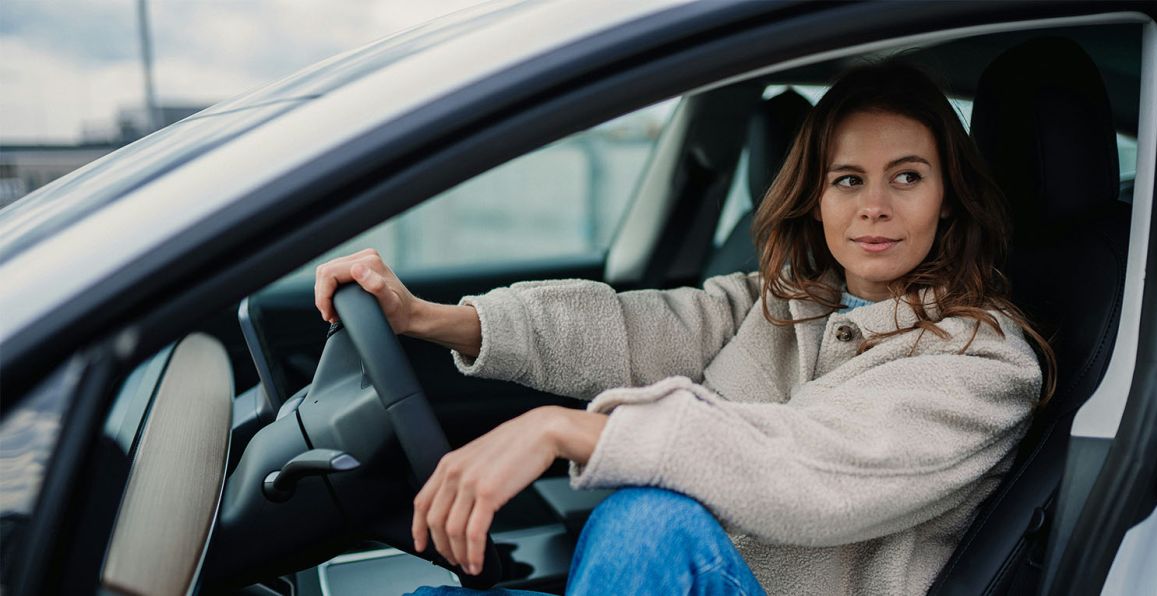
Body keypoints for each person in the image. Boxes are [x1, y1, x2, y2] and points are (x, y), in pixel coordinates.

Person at [312, 60, 1055, 595]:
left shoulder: (985, 364)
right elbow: (630, 329)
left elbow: (801, 466)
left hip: (715, 572)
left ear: (948, 199)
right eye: (848, 179)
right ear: (817, 198)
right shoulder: (787, 302)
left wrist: (562, 431)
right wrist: (425, 318)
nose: (874, 206)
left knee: (649, 522)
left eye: (908, 176)